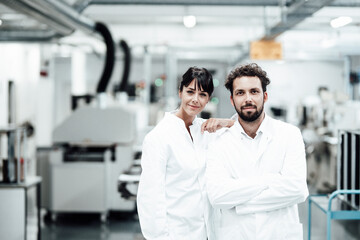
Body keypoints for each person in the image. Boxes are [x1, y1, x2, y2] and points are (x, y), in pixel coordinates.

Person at [205, 63, 309, 240]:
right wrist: (270, 180)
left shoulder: (289, 134)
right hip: (237, 234)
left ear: (265, 96)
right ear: (232, 99)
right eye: (240, 93)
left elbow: (298, 190)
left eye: (254, 91)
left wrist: (241, 204)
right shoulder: (218, 141)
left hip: (280, 234)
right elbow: (218, 196)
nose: (248, 99)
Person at [137, 66, 235, 240]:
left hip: (208, 232)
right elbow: (150, 197)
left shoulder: (206, 131)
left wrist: (226, 122)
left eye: (202, 94)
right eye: (190, 92)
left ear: (208, 99)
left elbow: (247, 130)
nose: (195, 99)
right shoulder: (159, 137)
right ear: (180, 92)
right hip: (176, 233)